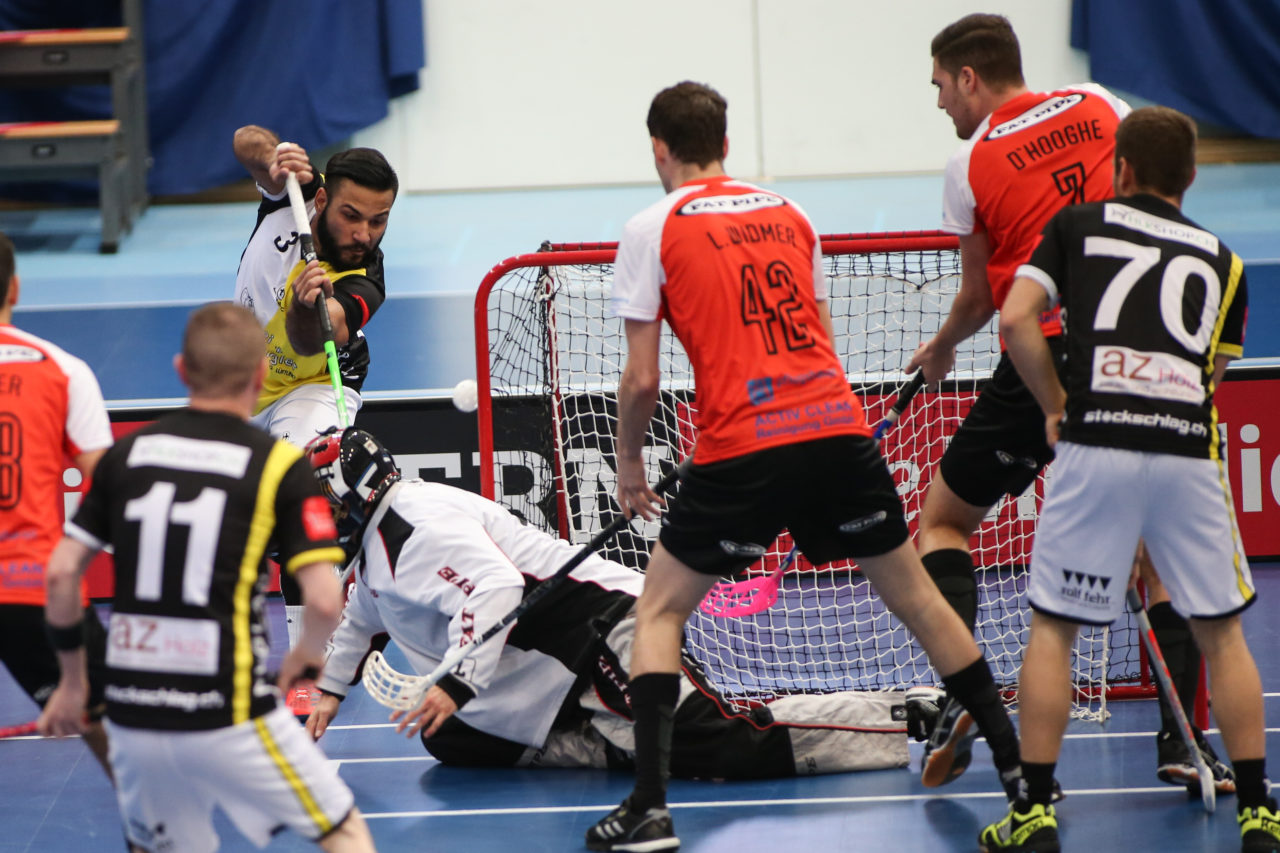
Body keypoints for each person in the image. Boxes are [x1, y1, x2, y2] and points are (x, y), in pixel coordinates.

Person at [589, 80, 1024, 853]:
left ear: (659, 148)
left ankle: (649, 810)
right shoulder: (791, 214)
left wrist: (629, 467)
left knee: (658, 613)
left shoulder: (650, 225)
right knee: (921, 602)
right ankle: (1028, 787)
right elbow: (817, 337)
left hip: (741, 445)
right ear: (725, 141)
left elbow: (642, 380)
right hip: (835, 432)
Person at [908, 12, 1227, 791]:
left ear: (971, 78)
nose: (941, 103)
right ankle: (1186, 742)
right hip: (1138, 344)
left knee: (943, 519)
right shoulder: (1097, 101)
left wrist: (947, 343)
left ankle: (964, 690)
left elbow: (988, 296)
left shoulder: (969, 162)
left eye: (942, 87)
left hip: (1041, 351)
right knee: (1156, 556)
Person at [301, 426, 944, 777]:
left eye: (323, 507)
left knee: (712, 745)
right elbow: (367, 609)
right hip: (552, 672)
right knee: (457, 740)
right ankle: (618, 741)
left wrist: (456, 685)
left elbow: (498, 588)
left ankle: (902, 714)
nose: (315, 522)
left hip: (602, 627)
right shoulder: (379, 546)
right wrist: (331, 687)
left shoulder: (414, 528)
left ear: (353, 498)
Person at [978, 106, 1276, 853]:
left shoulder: (1077, 226)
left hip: (1095, 441)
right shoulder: (1224, 261)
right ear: (1193, 178)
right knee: (1223, 634)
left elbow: (1017, 320)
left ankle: (1034, 814)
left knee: (1055, 628)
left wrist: (1055, 407)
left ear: (1122, 170)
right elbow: (1211, 374)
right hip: (1184, 449)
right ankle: (1262, 814)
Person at [37, 303, 378, 853]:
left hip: (132, 711)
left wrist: (75, 684)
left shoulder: (126, 457)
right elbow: (321, 599)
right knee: (341, 829)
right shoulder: (277, 465)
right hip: (228, 704)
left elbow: (60, 576)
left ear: (180, 370)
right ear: (260, 376)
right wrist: (307, 659)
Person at [232, 125, 398, 709]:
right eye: (354, 216)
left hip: (317, 386)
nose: (364, 234)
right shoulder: (295, 197)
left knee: (306, 489)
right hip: (240, 381)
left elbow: (310, 342)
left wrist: (308, 303)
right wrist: (274, 158)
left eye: (379, 221)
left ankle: (313, 656)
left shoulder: (363, 277)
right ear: (324, 197)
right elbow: (244, 140)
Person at [0, 231, 114, 777]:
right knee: (118, 731)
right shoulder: (63, 370)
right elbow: (107, 488)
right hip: (32, 588)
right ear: (15, 288)